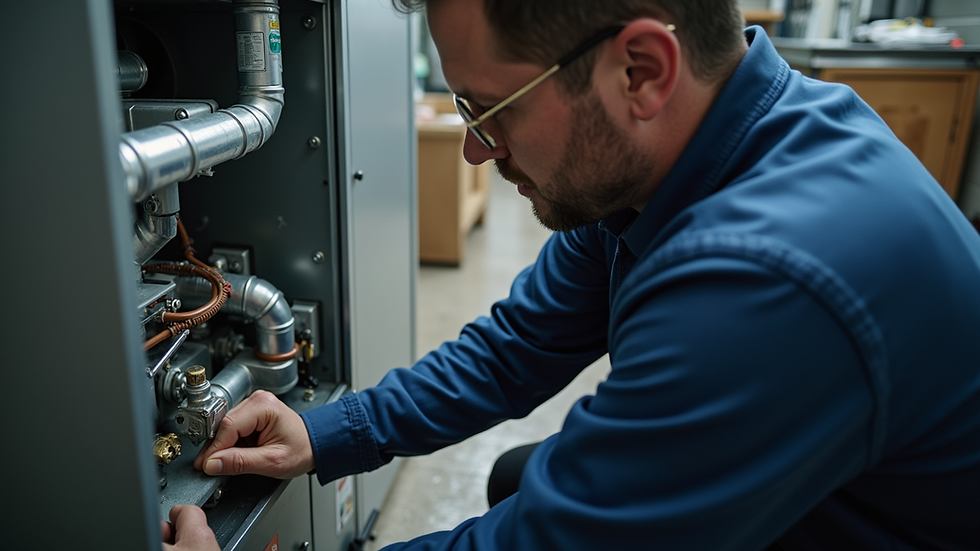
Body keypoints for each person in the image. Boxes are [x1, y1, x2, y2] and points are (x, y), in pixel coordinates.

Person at [166, 0, 980, 549]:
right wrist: (330, 431)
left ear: (641, 71)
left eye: (491, 109)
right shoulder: (680, 152)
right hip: (807, 479)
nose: (477, 149)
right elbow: (518, 346)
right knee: (515, 476)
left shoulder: (770, 282)